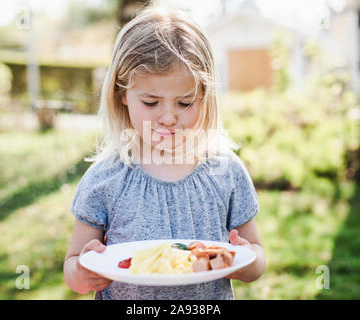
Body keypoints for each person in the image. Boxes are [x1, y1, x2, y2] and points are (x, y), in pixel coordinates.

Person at [63, 5, 265, 300]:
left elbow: (256, 258)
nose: (168, 117)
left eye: (184, 103)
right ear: (122, 95)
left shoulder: (225, 172)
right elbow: (72, 269)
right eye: (150, 102)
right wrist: (84, 272)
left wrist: (245, 261)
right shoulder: (106, 178)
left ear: (205, 97)